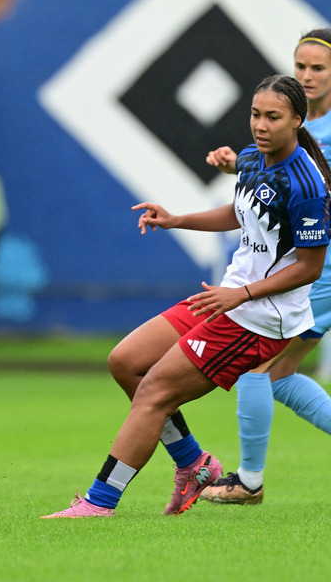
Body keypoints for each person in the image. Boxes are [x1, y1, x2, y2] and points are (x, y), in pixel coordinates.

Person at [43, 75, 331, 518]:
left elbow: (308, 268)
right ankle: (195, 464)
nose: (261, 124)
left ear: (297, 119)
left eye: (273, 117)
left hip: (259, 318)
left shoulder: (307, 186)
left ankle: (100, 502)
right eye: (256, 114)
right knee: (126, 362)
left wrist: (243, 294)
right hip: (227, 300)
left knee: (155, 390)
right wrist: (176, 219)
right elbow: (240, 213)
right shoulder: (253, 158)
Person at [199, 30, 331, 504]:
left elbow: (309, 194)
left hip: (314, 271)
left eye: (318, 67)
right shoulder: (294, 129)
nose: (308, 75)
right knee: (277, 376)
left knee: (257, 369)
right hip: (306, 269)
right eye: (301, 65)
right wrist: (240, 166)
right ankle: (247, 479)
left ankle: (248, 481)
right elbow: (282, 184)